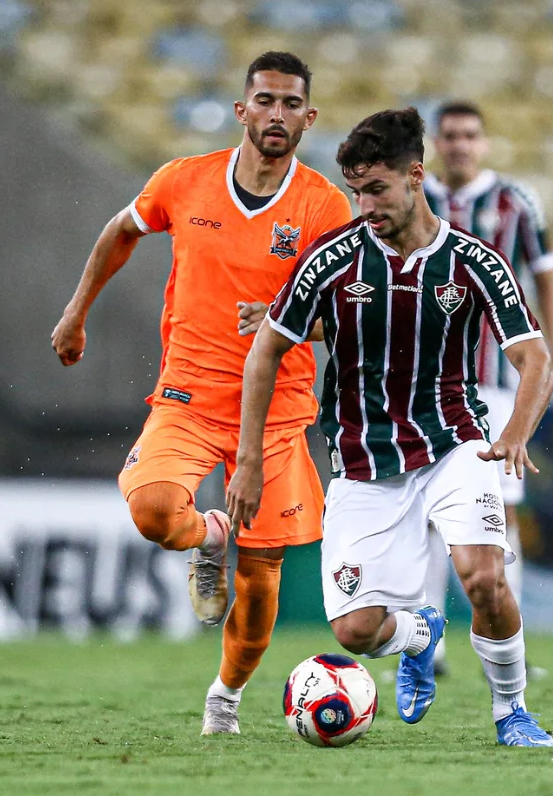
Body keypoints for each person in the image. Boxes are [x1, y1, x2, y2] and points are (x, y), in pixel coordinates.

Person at [227, 108, 553, 747]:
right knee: (356, 632)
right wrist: (247, 458)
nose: (364, 204)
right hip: (363, 461)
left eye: (375, 189)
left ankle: (511, 712)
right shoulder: (332, 260)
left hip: (456, 441)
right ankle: (420, 633)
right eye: (354, 190)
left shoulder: (473, 262)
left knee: (484, 577)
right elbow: (266, 347)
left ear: (415, 177)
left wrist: (515, 430)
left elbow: (533, 357)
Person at [50, 51, 352, 736]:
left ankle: (226, 696)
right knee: (154, 510)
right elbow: (121, 231)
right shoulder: (184, 182)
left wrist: (288, 318)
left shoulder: (323, 207)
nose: (278, 115)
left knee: (263, 574)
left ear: (310, 117)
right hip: (189, 397)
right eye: (265, 101)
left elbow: (352, 318)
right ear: (242, 109)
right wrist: (76, 314)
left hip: (276, 416)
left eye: (291, 104)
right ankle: (207, 532)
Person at [423, 101, 553, 678]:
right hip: (430, 386)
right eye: (451, 135)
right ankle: (428, 645)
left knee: (500, 516)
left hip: (499, 383)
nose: (460, 144)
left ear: (482, 143)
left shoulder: (515, 202)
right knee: (432, 512)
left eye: (470, 135)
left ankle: (512, 638)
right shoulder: (415, 200)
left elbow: (547, 278)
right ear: (436, 141)